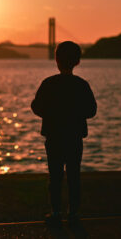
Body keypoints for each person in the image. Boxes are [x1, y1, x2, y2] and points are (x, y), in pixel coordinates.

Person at [31, 41, 97, 227]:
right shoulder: (82, 85)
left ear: (56, 60)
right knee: (74, 175)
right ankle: (74, 212)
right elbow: (91, 110)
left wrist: (51, 113)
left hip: (54, 136)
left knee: (55, 176)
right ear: (77, 62)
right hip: (75, 137)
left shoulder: (49, 83)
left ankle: (56, 211)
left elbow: (36, 107)